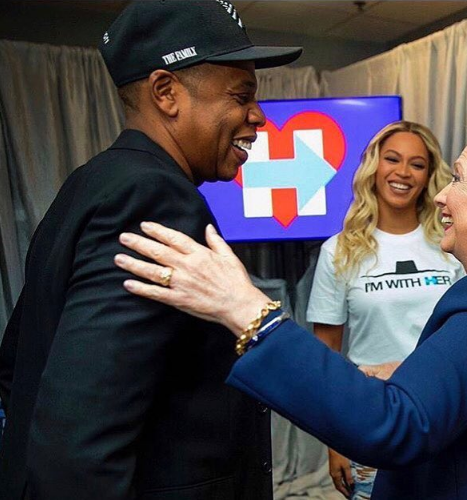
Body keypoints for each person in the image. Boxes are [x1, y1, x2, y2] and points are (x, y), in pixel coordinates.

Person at [115, 109, 467, 499]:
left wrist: (247, 311)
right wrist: (408, 371)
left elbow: (398, 427)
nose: (443, 195)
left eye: (459, 180)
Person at [0, 2, 301, 499]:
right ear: (166, 93)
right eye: (241, 95)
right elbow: (78, 445)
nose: (259, 117)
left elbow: (19, 369)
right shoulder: (154, 199)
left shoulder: (91, 182)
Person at [307, 121, 463, 498]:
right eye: (392, 159)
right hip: (372, 420)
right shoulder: (339, 251)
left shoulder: (451, 245)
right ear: (373, 167)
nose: (403, 172)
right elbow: (326, 356)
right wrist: (335, 441)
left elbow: (466, 341)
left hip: (443, 418)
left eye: (417, 164)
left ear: (429, 176)